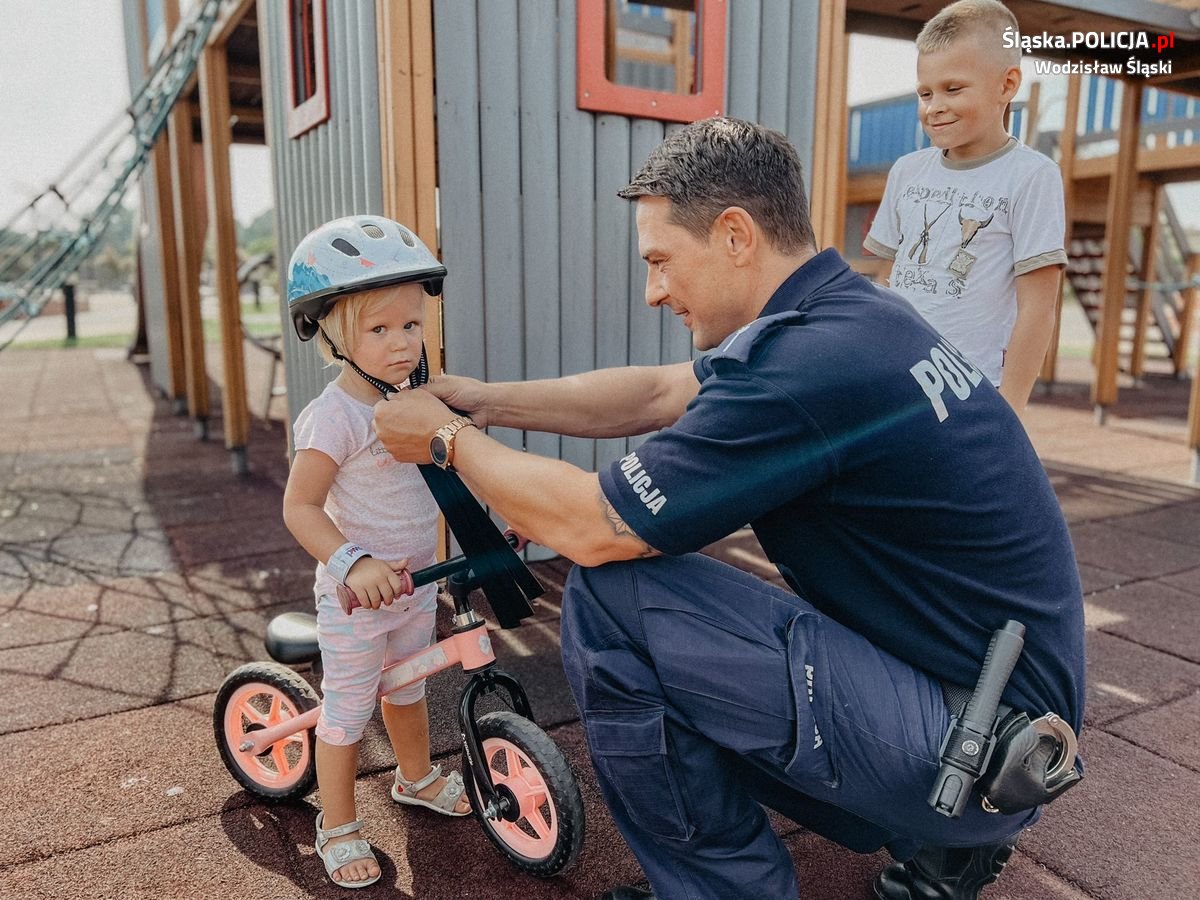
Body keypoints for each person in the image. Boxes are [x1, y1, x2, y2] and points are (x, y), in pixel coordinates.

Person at [372, 117, 1085, 900]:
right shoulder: (853, 319)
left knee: (616, 600)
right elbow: (658, 392)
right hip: (1006, 727)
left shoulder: (806, 368)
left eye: (661, 261)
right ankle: (929, 840)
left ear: (736, 235)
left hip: (971, 749)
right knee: (689, 622)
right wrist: (482, 402)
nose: (653, 290)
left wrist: (444, 439)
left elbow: (591, 529)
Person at [282, 215, 470, 890]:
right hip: (360, 598)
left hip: (417, 583)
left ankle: (413, 777)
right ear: (331, 333)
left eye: (411, 325)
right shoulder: (333, 417)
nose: (401, 343)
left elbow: (458, 471)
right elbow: (299, 506)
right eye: (379, 329)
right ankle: (335, 825)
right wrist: (352, 563)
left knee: (410, 684)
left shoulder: (415, 399)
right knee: (348, 708)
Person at [864, 0, 1067, 415]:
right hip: (892, 377)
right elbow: (884, 280)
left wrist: (1009, 411)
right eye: (925, 92)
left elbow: (1039, 307)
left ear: (1007, 85)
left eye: (953, 89)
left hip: (968, 392)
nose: (934, 106)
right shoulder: (907, 171)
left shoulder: (1031, 176)